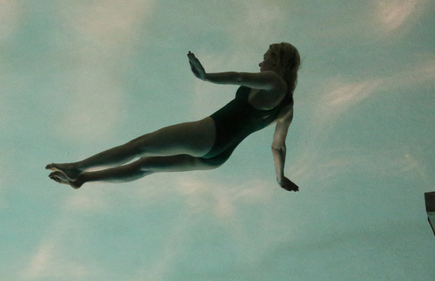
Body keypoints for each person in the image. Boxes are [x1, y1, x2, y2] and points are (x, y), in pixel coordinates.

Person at [46, 43, 301, 192]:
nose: (261, 61)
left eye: (267, 56)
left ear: (279, 61)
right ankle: (83, 178)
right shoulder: (287, 106)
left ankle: (78, 167)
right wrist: (279, 177)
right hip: (218, 157)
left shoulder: (274, 81)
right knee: (145, 166)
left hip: (208, 135)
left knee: (140, 146)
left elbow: (238, 77)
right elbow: (278, 145)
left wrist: (206, 76)